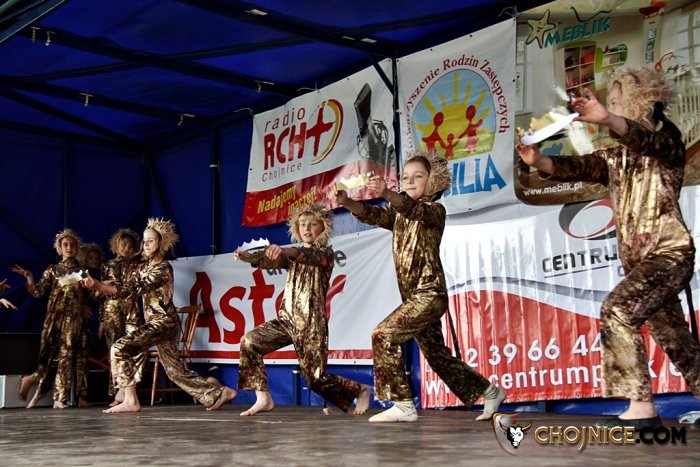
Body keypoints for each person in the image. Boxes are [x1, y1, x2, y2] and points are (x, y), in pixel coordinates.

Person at [516, 67, 700, 430]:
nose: (610, 107)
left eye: (616, 102)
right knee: (676, 339)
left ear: (640, 101)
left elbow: (646, 140)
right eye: (610, 103)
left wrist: (609, 119)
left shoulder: (668, 142)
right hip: (642, 263)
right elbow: (581, 166)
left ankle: (641, 407)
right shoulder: (615, 157)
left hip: (669, 254)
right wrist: (539, 162)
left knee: (617, 310)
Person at [330, 151, 506, 422]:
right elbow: (373, 214)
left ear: (432, 181)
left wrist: (387, 192)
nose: (410, 181)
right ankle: (490, 392)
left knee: (383, 334)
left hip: (430, 293)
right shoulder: (397, 214)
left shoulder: (434, 211)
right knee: (437, 356)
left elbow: (412, 209)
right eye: (406, 177)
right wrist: (347, 202)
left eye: (418, 177)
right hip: (413, 297)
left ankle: (403, 404)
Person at [81, 218, 236, 413]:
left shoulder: (162, 268)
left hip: (164, 323)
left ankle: (130, 400)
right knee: (175, 372)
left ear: (161, 244)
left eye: (150, 241)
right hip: (161, 323)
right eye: (144, 241)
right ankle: (219, 392)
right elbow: (126, 286)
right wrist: (102, 285)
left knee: (120, 348)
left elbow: (134, 289)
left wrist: (99, 285)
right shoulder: (143, 268)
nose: (145, 244)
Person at [235, 204, 371, 417]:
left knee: (315, 379)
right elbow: (270, 261)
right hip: (287, 320)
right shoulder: (291, 256)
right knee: (249, 342)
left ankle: (360, 389)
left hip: (311, 324)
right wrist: (248, 257)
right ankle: (263, 398)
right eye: (303, 224)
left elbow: (302, 254)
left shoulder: (325, 254)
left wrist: (284, 250)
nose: (307, 228)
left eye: (313, 224)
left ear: (323, 227)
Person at [13, 228, 87, 409]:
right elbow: (38, 292)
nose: (69, 247)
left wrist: (103, 287)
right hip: (54, 319)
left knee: (66, 356)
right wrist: (29, 277)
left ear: (76, 248)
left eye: (72, 244)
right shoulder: (53, 270)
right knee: (46, 357)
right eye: (65, 244)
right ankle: (34, 382)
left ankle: (59, 398)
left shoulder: (82, 271)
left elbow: (90, 292)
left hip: (73, 320)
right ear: (59, 248)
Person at [99, 228, 143, 405]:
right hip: (112, 310)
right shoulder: (107, 265)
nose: (127, 248)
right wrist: (102, 319)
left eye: (130, 246)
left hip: (131, 308)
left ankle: (129, 389)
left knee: (136, 346)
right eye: (123, 245)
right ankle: (117, 391)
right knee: (114, 350)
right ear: (116, 246)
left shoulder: (137, 265)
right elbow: (99, 293)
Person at [75, 242, 104, 407]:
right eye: (91, 257)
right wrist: (79, 306)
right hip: (73, 319)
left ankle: (82, 396)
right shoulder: (79, 274)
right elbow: (65, 294)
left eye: (96, 258)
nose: (94, 260)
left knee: (83, 357)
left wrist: (102, 319)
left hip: (89, 321)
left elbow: (100, 300)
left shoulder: (98, 275)